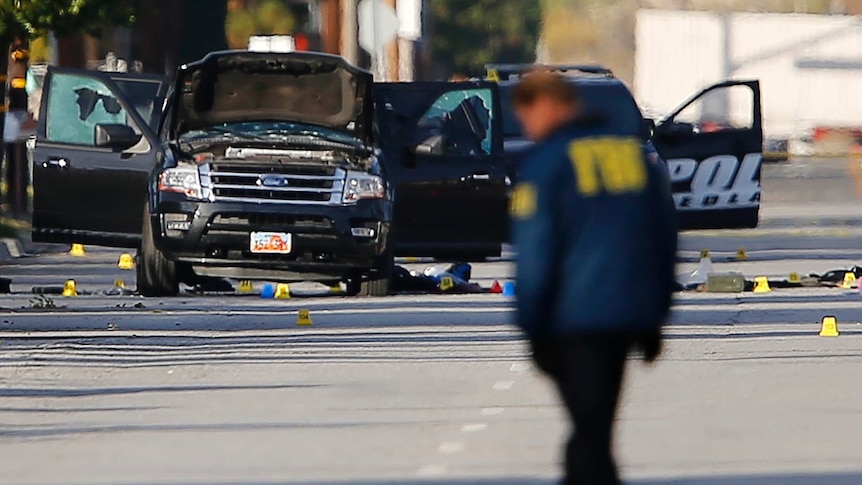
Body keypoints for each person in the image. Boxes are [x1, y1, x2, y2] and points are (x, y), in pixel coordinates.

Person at [508, 70, 677, 485]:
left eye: (526, 116)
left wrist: (532, 326)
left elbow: (535, 253)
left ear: (548, 106)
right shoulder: (636, 159)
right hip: (627, 316)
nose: (527, 128)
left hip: (574, 318)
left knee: (589, 431)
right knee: (596, 425)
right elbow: (664, 241)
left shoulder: (545, 165)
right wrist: (657, 315)